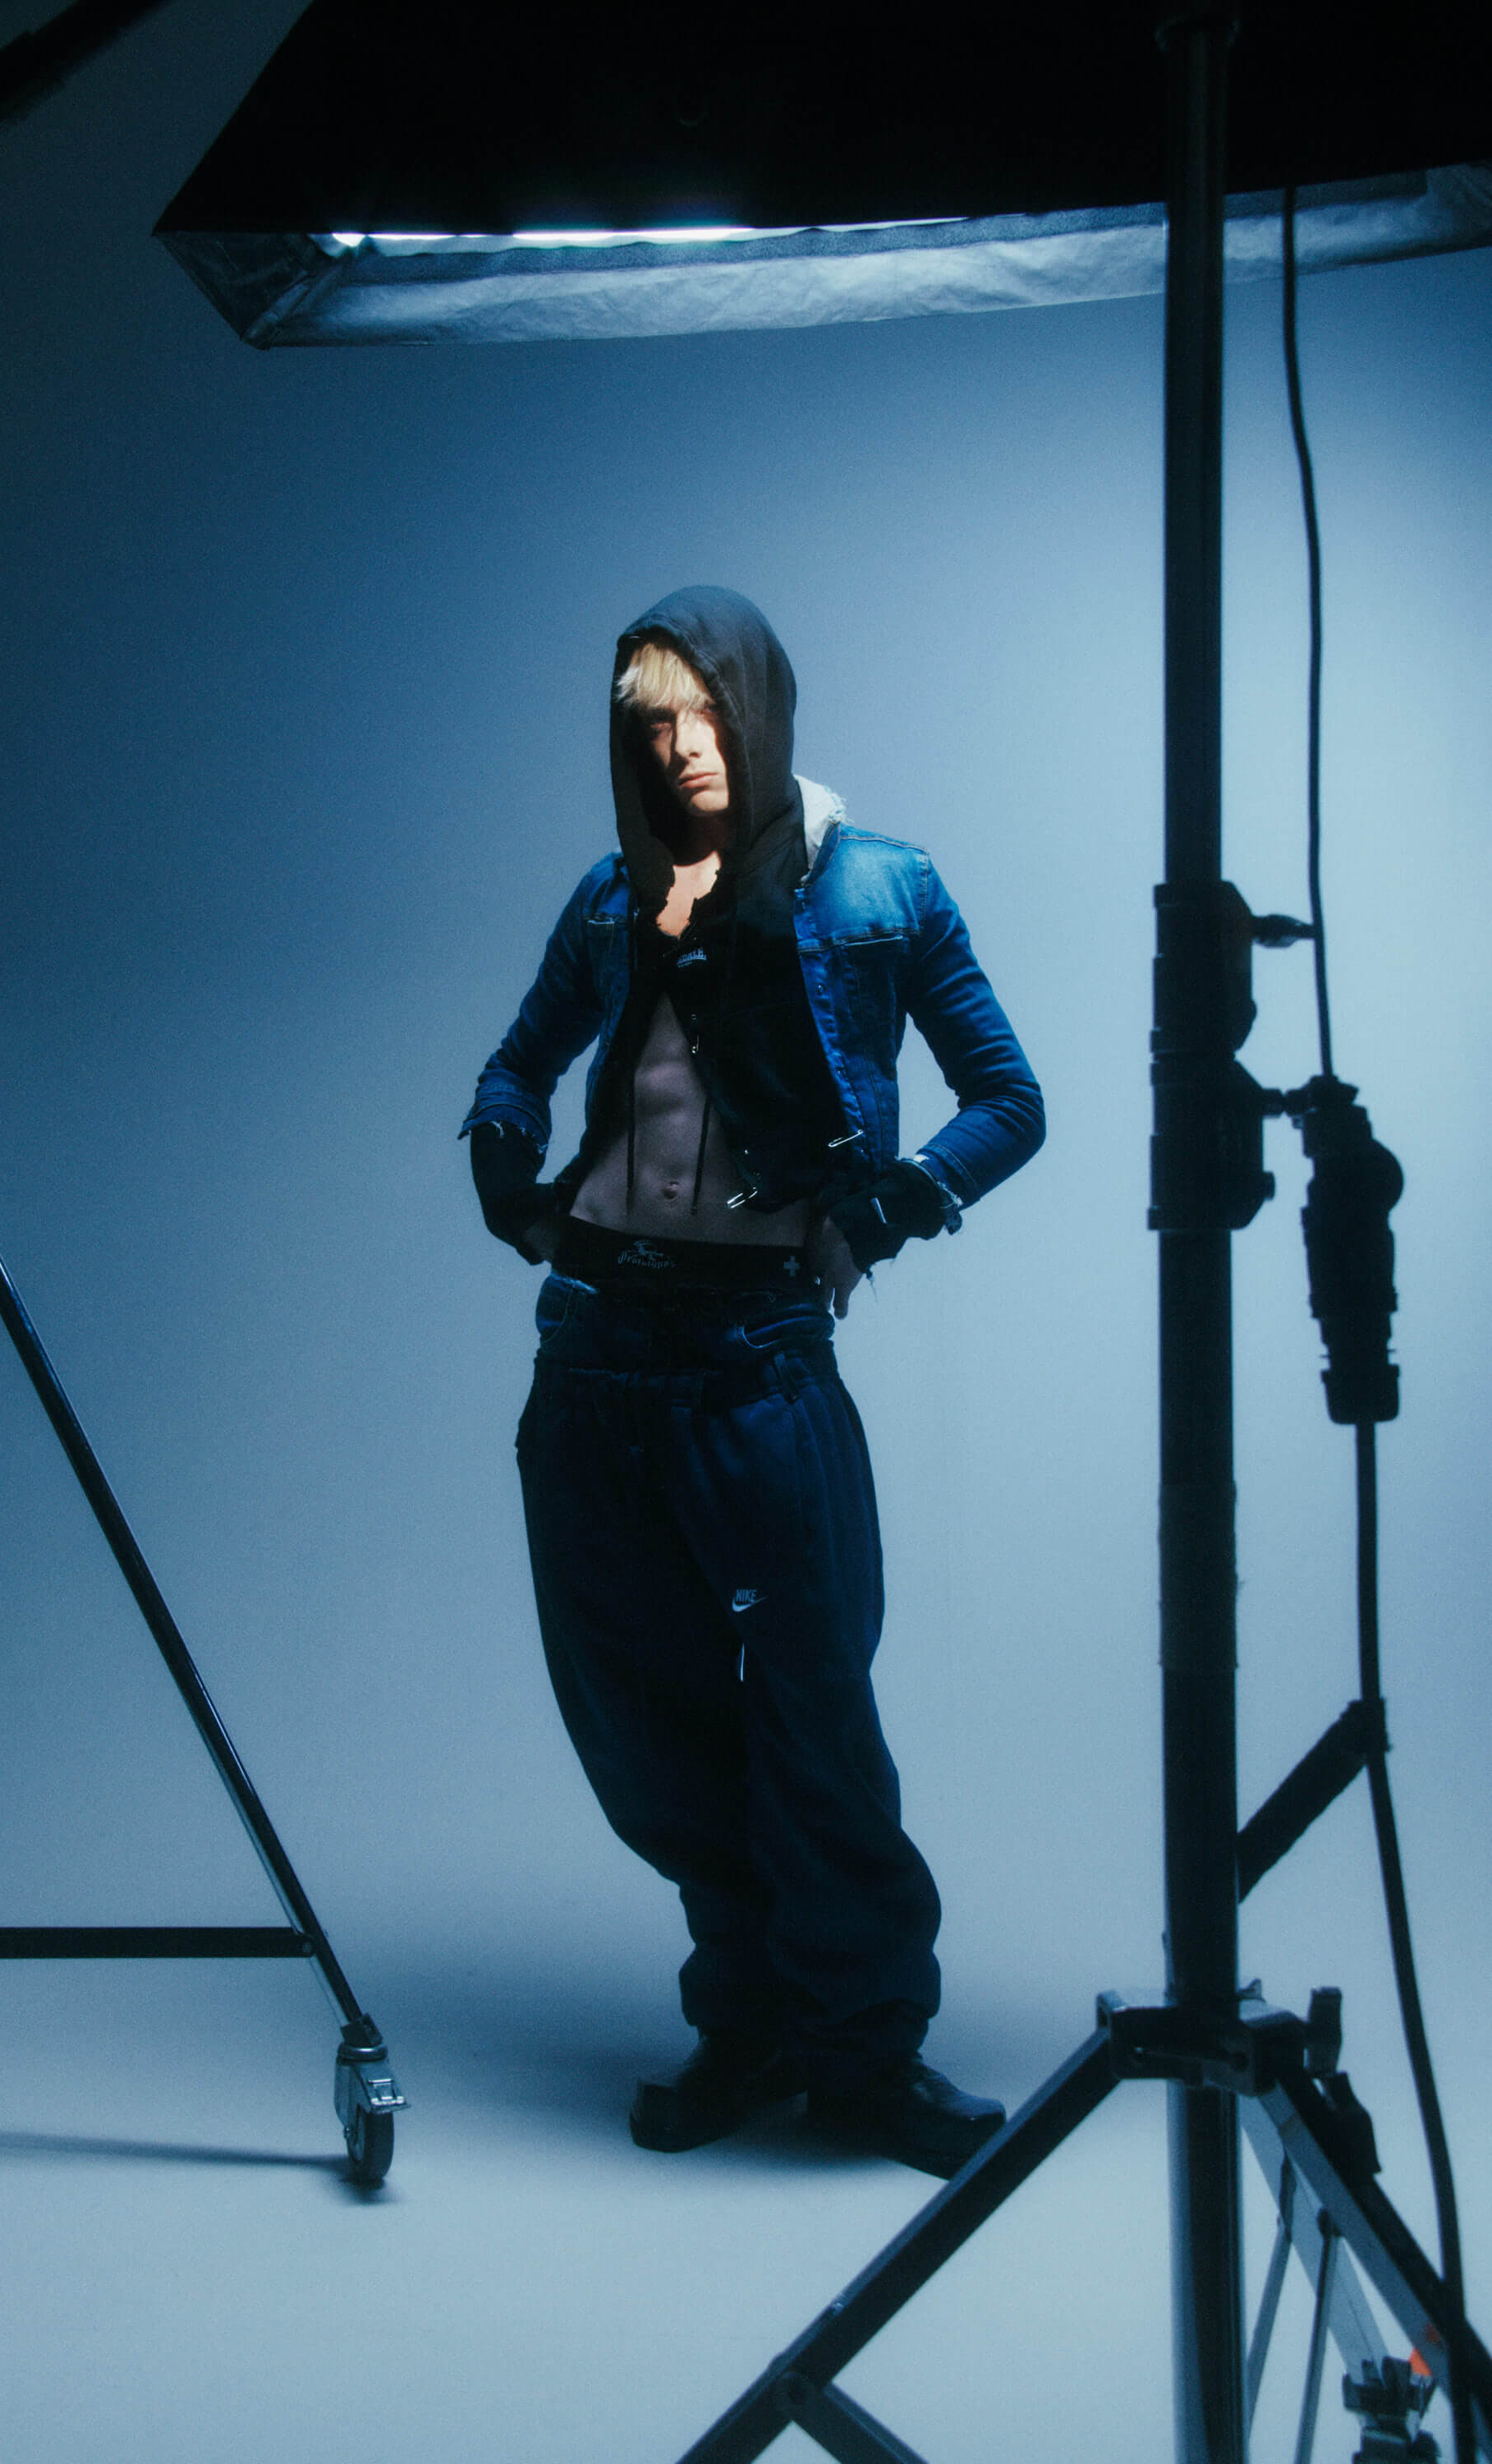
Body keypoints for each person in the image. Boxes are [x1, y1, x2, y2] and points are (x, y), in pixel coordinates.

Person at [463, 586, 1044, 2176]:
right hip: (594, 1351)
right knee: (644, 1723)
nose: (683, 747)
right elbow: (516, 1065)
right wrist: (506, 1172)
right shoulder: (612, 899)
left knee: (812, 1710)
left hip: (756, 1358)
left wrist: (889, 1210)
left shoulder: (881, 884)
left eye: (706, 711)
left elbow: (1007, 1099)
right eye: (651, 722)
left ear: (762, 709)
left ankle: (867, 2050)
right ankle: (750, 2022)